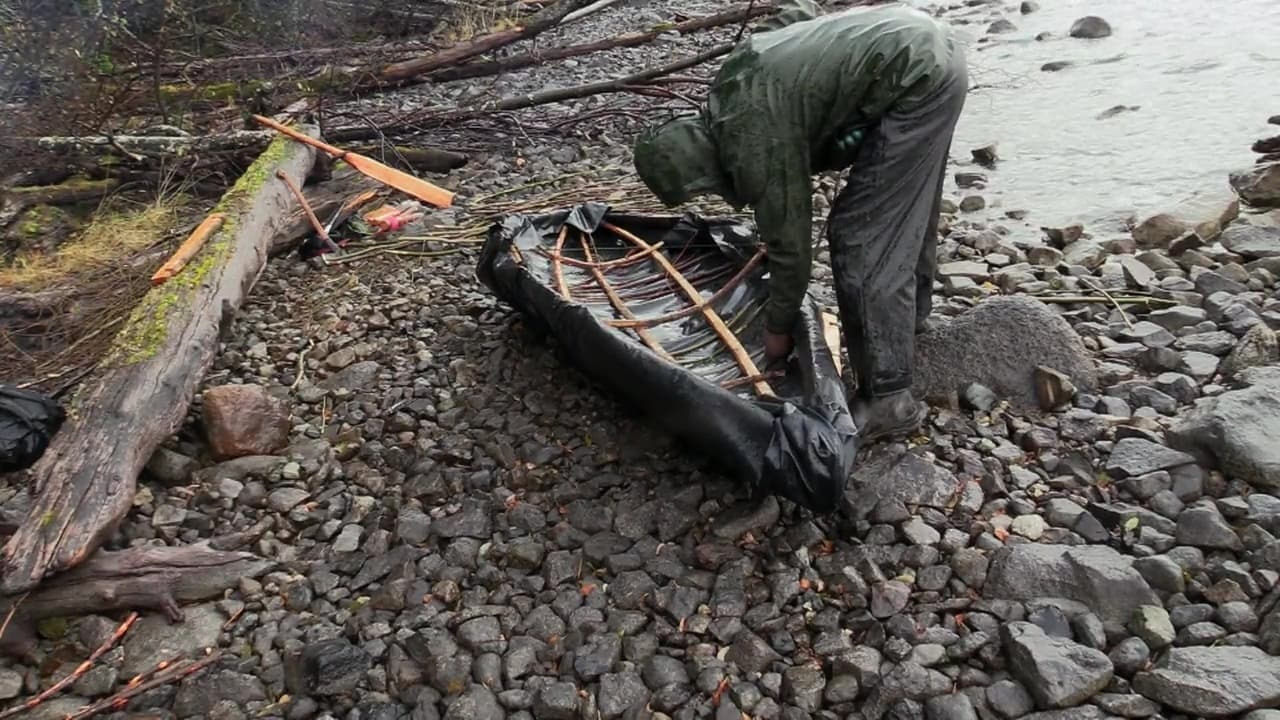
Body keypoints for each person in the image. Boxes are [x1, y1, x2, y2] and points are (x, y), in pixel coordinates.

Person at [631, 0, 968, 443]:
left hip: (918, 80)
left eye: (701, 189)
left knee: (861, 236)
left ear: (699, 169)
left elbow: (792, 247)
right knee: (905, 208)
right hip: (927, 47)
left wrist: (777, 328)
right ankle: (911, 320)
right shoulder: (732, 80)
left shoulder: (751, 142)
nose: (709, 194)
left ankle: (889, 398)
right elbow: (798, 10)